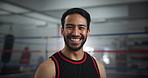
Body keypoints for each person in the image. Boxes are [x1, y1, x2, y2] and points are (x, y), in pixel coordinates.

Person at [34, 8, 106, 78]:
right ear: (62, 31)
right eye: (70, 27)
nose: (75, 33)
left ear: (88, 32)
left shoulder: (99, 68)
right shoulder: (47, 69)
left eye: (81, 27)